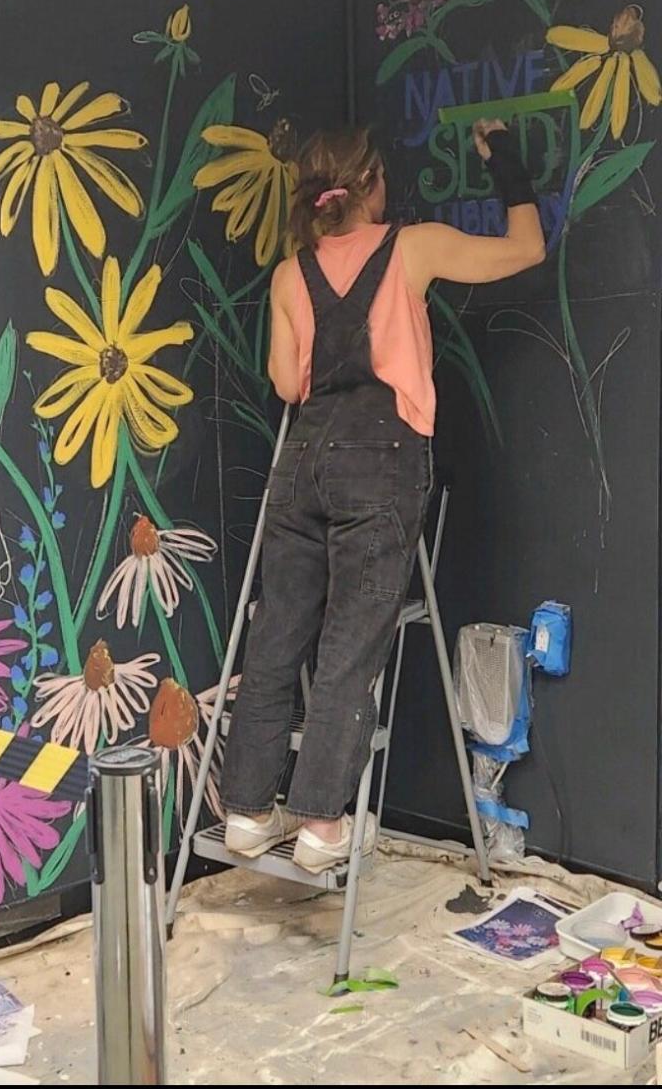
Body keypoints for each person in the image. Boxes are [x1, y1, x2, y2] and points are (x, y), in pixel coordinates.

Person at [220, 119, 543, 874]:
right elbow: (526, 247)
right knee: (350, 643)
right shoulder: (412, 246)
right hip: (380, 462)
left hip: (302, 462)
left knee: (278, 636)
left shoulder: (289, 273)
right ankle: (321, 823)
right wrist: (505, 162)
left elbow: (282, 381)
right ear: (370, 186)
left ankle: (244, 809)